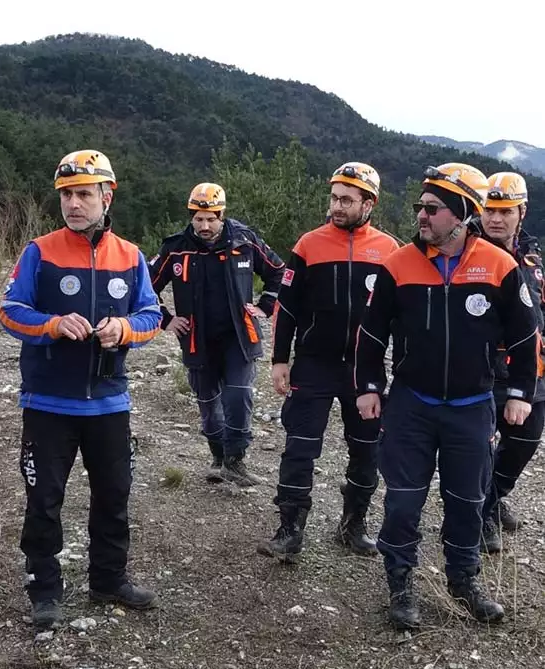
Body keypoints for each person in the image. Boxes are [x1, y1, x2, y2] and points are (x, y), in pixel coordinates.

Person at [355, 163, 537, 628]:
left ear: (460, 214)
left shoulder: (500, 266)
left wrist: (520, 392)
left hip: (473, 408)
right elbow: (372, 334)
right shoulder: (398, 264)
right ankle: (400, 585)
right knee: (402, 501)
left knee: (467, 501)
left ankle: (463, 580)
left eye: (432, 208)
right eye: (420, 207)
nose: (421, 215)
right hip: (412, 405)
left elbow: (523, 335)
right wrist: (368, 387)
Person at [0, 149, 162, 628]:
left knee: (114, 495)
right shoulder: (39, 250)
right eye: (67, 195)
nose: (73, 203)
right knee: (44, 500)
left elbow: (152, 315)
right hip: (48, 401)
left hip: (109, 401)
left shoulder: (130, 256)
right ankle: (44, 589)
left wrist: (125, 329)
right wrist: (51, 324)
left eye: (84, 194)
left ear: (106, 196)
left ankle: (109, 579)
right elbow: (9, 311)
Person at [256, 162, 399, 562]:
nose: (337, 206)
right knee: (300, 448)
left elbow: (401, 315)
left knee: (367, 448)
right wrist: (279, 359)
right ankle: (290, 530)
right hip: (314, 363)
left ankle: (354, 524)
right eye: (334, 197)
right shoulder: (309, 244)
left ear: (368, 203)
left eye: (347, 200)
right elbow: (287, 307)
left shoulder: (390, 250)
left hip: (364, 368)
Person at [149, 183, 284, 486]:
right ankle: (218, 457)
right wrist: (166, 320)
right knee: (209, 406)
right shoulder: (175, 248)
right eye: (198, 218)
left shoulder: (244, 240)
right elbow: (144, 287)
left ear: (222, 215)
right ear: (191, 216)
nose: (205, 225)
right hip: (198, 340)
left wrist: (265, 305)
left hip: (239, 336)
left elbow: (279, 271)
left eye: (211, 218)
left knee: (238, 397)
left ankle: (235, 461)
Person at [479, 172, 545, 552]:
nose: (496, 218)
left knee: (525, 440)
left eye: (505, 211)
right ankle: (480, 511)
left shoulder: (533, 256)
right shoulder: (469, 251)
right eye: (490, 209)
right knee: (482, 443)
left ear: (522, 211)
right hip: (485, 366)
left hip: (530, 367)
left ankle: (493, 495)